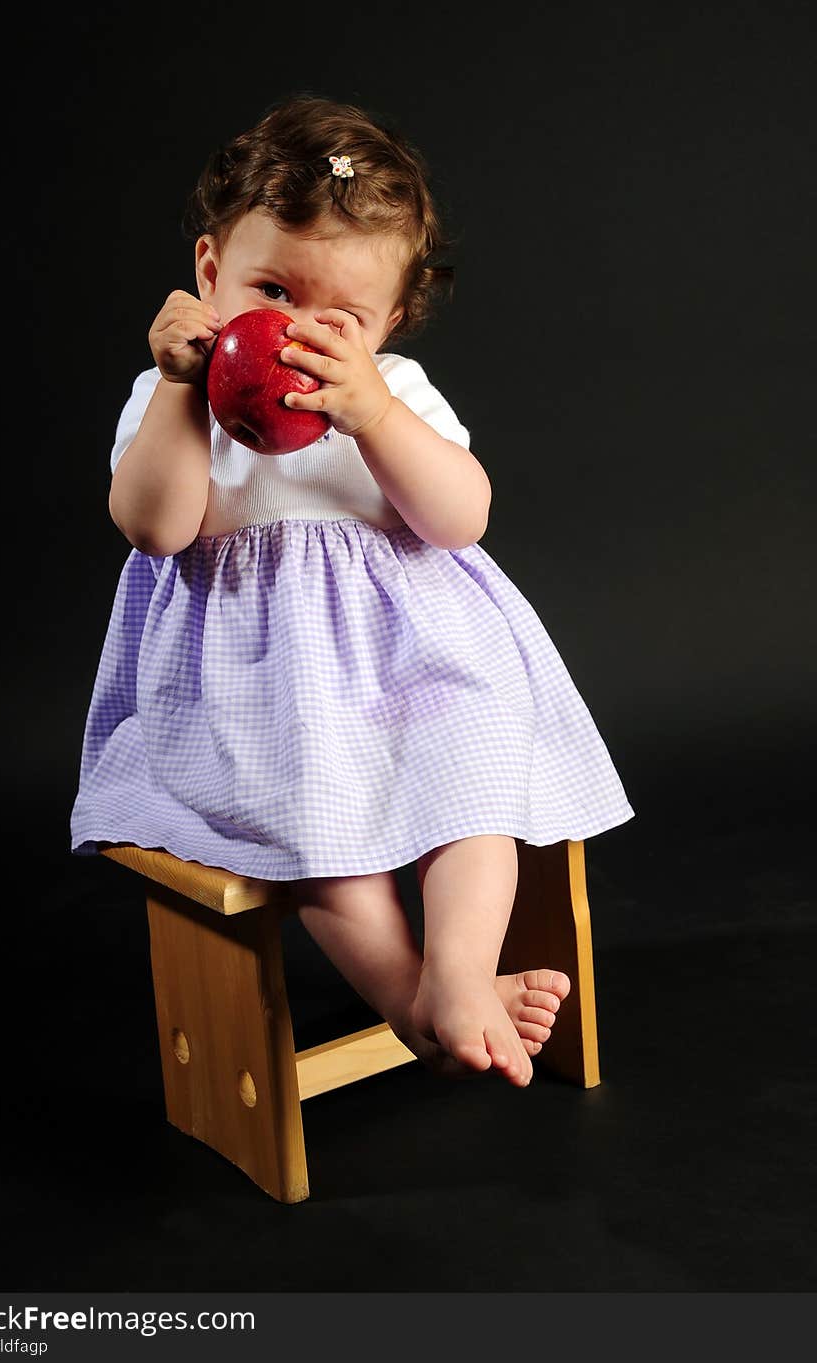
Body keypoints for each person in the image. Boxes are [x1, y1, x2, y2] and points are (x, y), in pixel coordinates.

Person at [70, 94, 635, 1088]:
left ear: (390, 321)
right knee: (322, 832)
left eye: (336, 317)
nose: (292, 335)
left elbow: (460, 517)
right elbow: (155, 529)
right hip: (260, 695)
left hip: (415, 669)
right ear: (208, 274)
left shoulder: (396, 391)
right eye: (269, 293)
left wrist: (373, 417)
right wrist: (176, 390)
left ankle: (456, 976)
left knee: (478, 781)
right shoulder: (173, 394)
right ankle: (407, 1000)